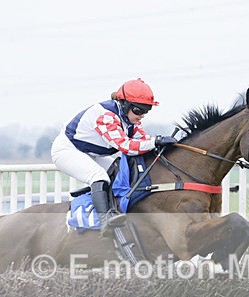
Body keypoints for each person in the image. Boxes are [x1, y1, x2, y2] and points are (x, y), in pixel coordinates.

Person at [50, 78, 177, 235]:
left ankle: (113, 209)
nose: (142, 116)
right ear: (124, 104)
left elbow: (143, 141)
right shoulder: (105, 116)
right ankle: (105, 221)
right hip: (67, 150)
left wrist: (162, 144)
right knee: (99, 176)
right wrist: (155, 141)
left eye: (146, 111)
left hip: (90, 152)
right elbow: (126, 147)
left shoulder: (130, 120)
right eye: (138, 111)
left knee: (117, 173)